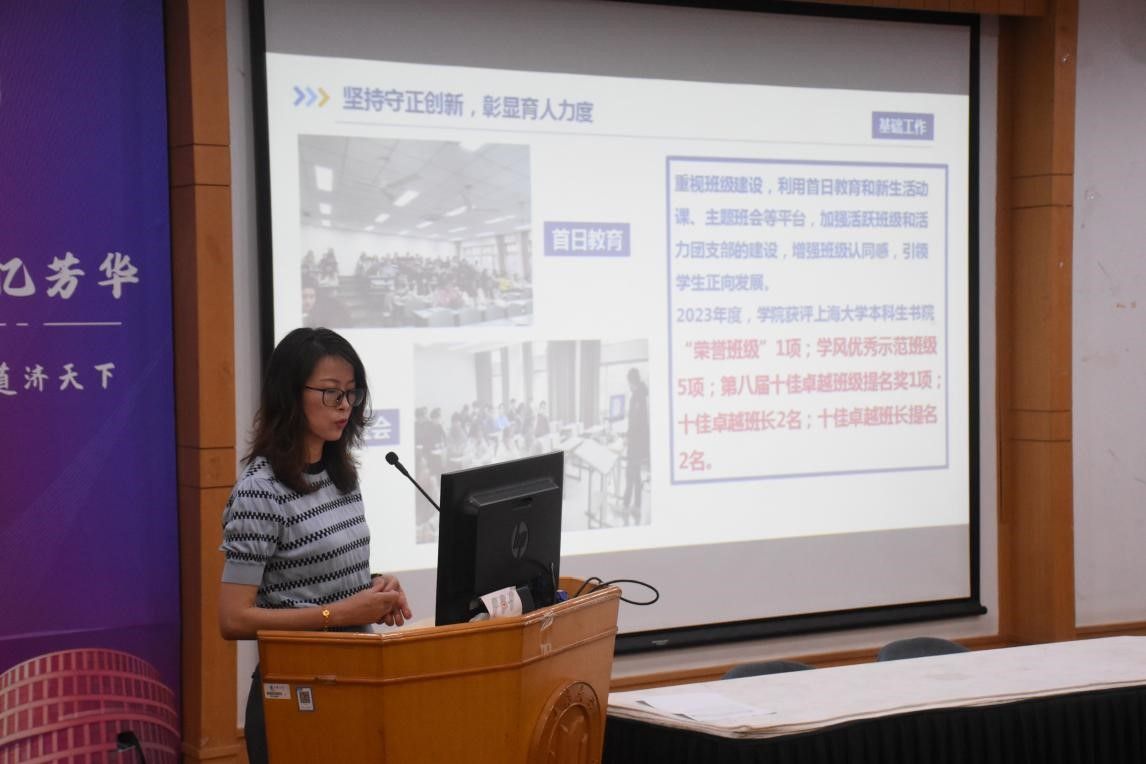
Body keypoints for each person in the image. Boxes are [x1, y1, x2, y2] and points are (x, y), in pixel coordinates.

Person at [218, 327, 412, 764]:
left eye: (351, 393)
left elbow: (319, 576)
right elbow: (232, 618)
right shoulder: (260, 492)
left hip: (356, 682)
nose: (344, 405)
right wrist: (339, 614)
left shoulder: (339, 474)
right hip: (296, 695)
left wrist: (375, 586)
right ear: (291, 395)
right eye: (330, 393)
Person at [622, 367, 649, 525]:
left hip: (636, 443)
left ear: (632, 381)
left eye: (629, 383)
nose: (629, 386)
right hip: (640, 442)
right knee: (636, 475)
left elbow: (635, 422)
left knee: (630, 474)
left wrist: (628, 437)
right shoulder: (643, 394)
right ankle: (637, 506)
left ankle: (626, 505)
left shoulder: (637, 397)